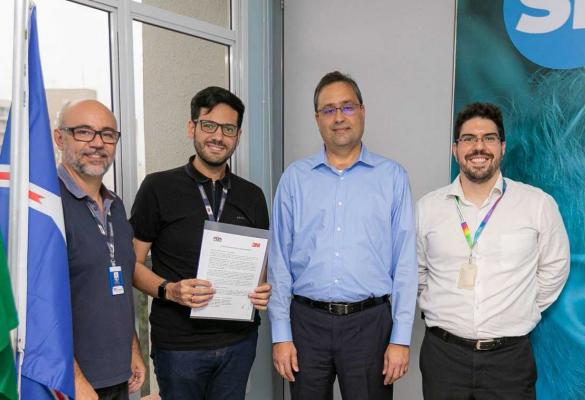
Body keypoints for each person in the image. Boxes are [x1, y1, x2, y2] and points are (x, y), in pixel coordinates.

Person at [268, 71, 418, 399]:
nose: (339, 117)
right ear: (317, 118)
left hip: (370, 325)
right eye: (329, 109)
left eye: (347, 107)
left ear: (362, 111)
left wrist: (401, 338)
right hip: (306, 325)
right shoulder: (294, 179)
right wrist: (280, 334)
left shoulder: (392, 177)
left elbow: (406, 264)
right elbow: (279, 262)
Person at [416, 102, 570, 399]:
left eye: (488, 138)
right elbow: (417, 271)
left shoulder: (537, 204)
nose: (479, 147)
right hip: (444, 357)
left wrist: (521, 306)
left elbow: (555, 267)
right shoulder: (427, 208)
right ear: (455, 149)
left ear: (502, 147)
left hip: (509, 360)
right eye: (469, 139)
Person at [129, 86, 271, 400]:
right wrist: (170, 290)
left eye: (228, 129)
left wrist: (262, 289)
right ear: (191, 127)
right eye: (209, 125)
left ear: (238, 136)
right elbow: (132, 265)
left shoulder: (252, 196)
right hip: (179, 346)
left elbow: (259, 270)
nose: (218, 136)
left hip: (238, 342)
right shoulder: (158, 187)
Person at [54, 100, 145, 400]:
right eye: (84, 132)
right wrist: (74, 379)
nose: (97, 143)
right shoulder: (47, 208)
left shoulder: (115, 206)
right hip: (72, 383)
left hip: (117, 375)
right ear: (59, 138)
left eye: (107, 134)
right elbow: (39, 305)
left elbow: (117, 286)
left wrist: (132, 347)